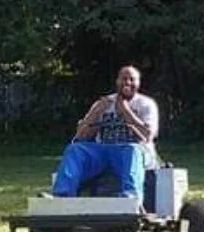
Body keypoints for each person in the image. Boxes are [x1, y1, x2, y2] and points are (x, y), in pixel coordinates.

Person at [50, 65, 160, 201]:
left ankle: (131, 197)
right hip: (104, 151)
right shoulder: (104, 103)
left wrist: (126, 112)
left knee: (131, 150)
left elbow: (148, 136)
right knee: (74, 149)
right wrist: (96, 113)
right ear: (117, 81)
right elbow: (80, 137)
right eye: (123, 79)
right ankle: (62, 195)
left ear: (139, 83)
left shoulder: (146, 104)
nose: (127, 83)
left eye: (132, 79)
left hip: (135, 151)